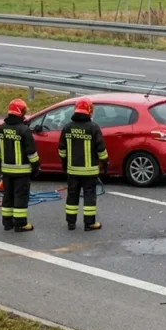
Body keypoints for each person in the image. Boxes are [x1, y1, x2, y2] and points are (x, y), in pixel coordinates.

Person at [59, 98, 108, 231]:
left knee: (72, 196)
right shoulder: (93, 128)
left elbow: (62, 150)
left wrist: (64, 164)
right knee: (89, 197)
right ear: (90, 111)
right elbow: (101, 150)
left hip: (72, 170)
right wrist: (104, 163)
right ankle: (89, 223)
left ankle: (71, 223)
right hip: (89, 171)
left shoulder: (67, 127)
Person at [0, 98, 40, 232]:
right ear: (21, 112)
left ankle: (7, 223)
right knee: (20, 197)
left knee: (8, 196)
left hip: (6, 171)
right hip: (22, 172)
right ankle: (20, 224)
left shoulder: (1, 129)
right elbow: (31, 153)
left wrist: (0, 166)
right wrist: (36, 167)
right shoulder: (24, 130)